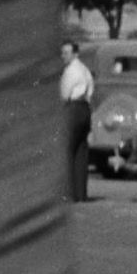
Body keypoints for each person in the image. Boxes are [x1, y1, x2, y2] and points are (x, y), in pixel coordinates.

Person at [59, 39, 94, 203]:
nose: (63, 56)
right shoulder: (85, 70)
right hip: (85, 109)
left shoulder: (71, 71)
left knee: (67, 151)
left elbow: (64, 95)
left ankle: (68, 193)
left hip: (73, 108)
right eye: (63, 53)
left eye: (66, 53)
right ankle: (81, 194)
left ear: (75, 54)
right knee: (81, 152)